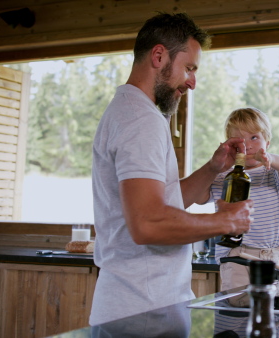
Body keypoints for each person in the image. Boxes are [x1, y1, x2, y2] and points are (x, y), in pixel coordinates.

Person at [90, 13, 254, 325]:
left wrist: (212, 168)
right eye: (189, 68)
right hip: (142, 313)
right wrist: (225, 220)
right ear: (158, 55)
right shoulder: (141, 120)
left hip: (138, 307)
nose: (192, 82)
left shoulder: (128, 111)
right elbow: (148, 223)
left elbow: (159, 202)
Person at [196, 107, 279, 293]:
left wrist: (270, 158)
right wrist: (213, 169)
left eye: (254, 138)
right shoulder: (223, 176)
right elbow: (200, 198)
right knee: (237, 307)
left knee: (269, 311)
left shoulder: (274, 173)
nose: (248, 145)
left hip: (270, 256)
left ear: (267, 142)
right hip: (236, 255)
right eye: (240, 140)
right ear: (229, 145)